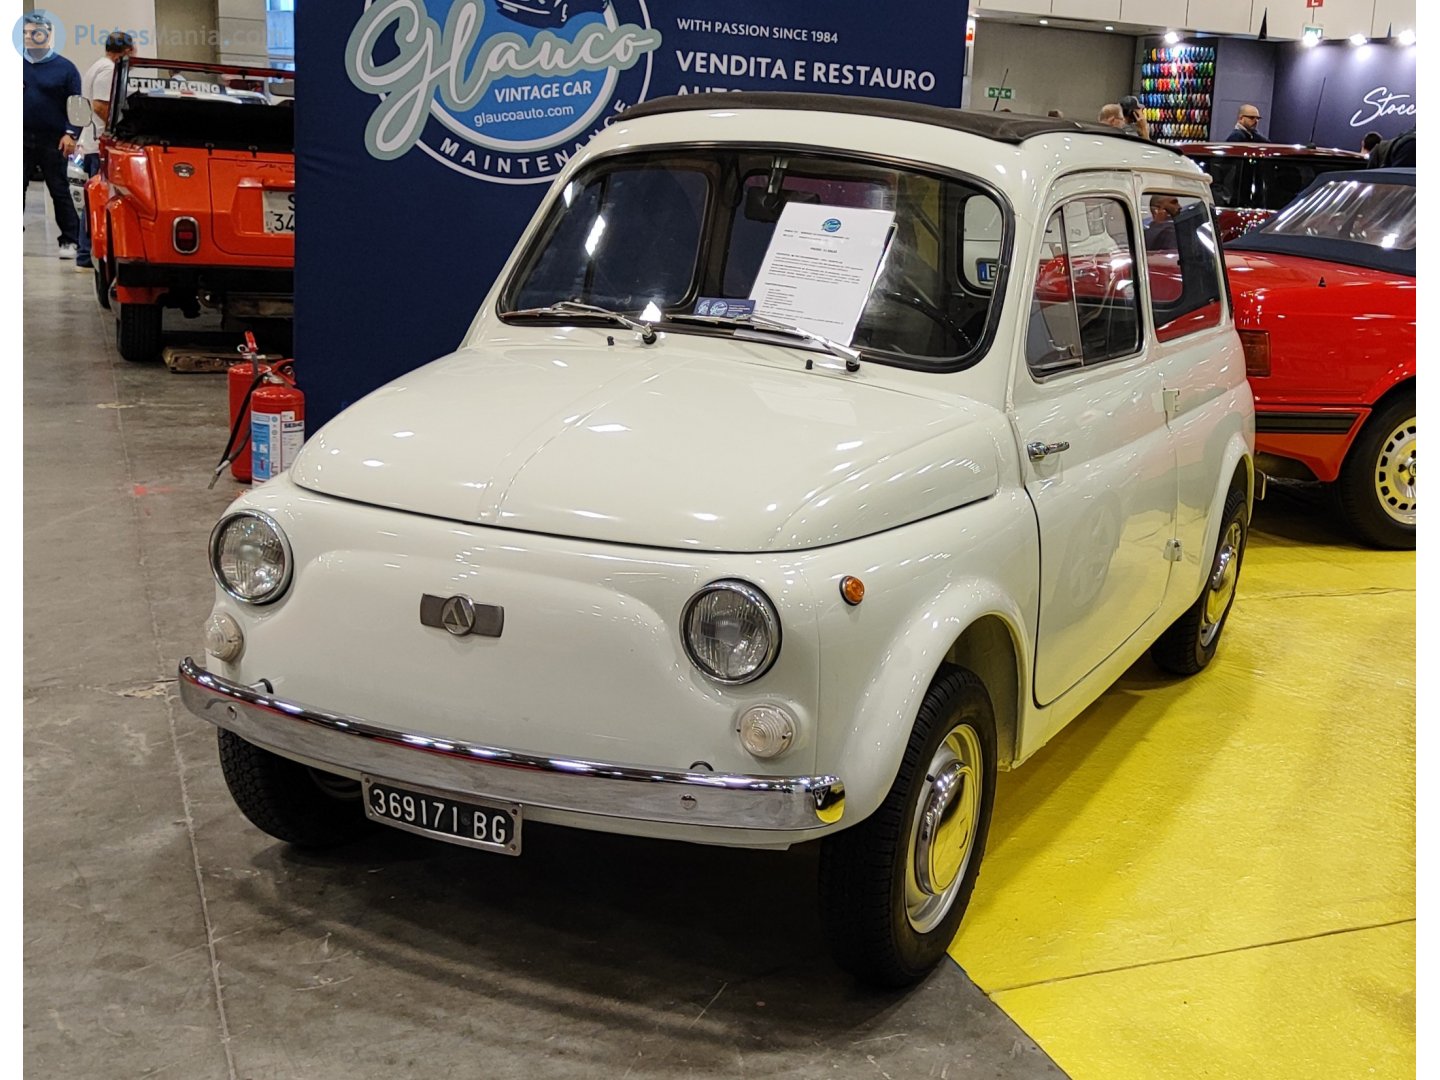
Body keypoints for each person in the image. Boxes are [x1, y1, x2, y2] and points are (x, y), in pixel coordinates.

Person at [21, 11, 82, 258]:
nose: (28, 37)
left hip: (54, 140)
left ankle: (70, 240)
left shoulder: (65, 68)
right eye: (24, 33)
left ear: (46, 34)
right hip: (20, 137)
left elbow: (76, 105)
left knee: (59, 189)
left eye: (33, 32)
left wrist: (71, 134)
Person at [76, 31, 136, 270]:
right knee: (98, 199)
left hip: (94, 142)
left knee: (95, 197)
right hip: (99, 143)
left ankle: (85, 252)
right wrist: (121, 129)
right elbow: (101, 106)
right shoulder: (109, 70)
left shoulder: (98, 66)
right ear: (128, 51)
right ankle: (84, 252)